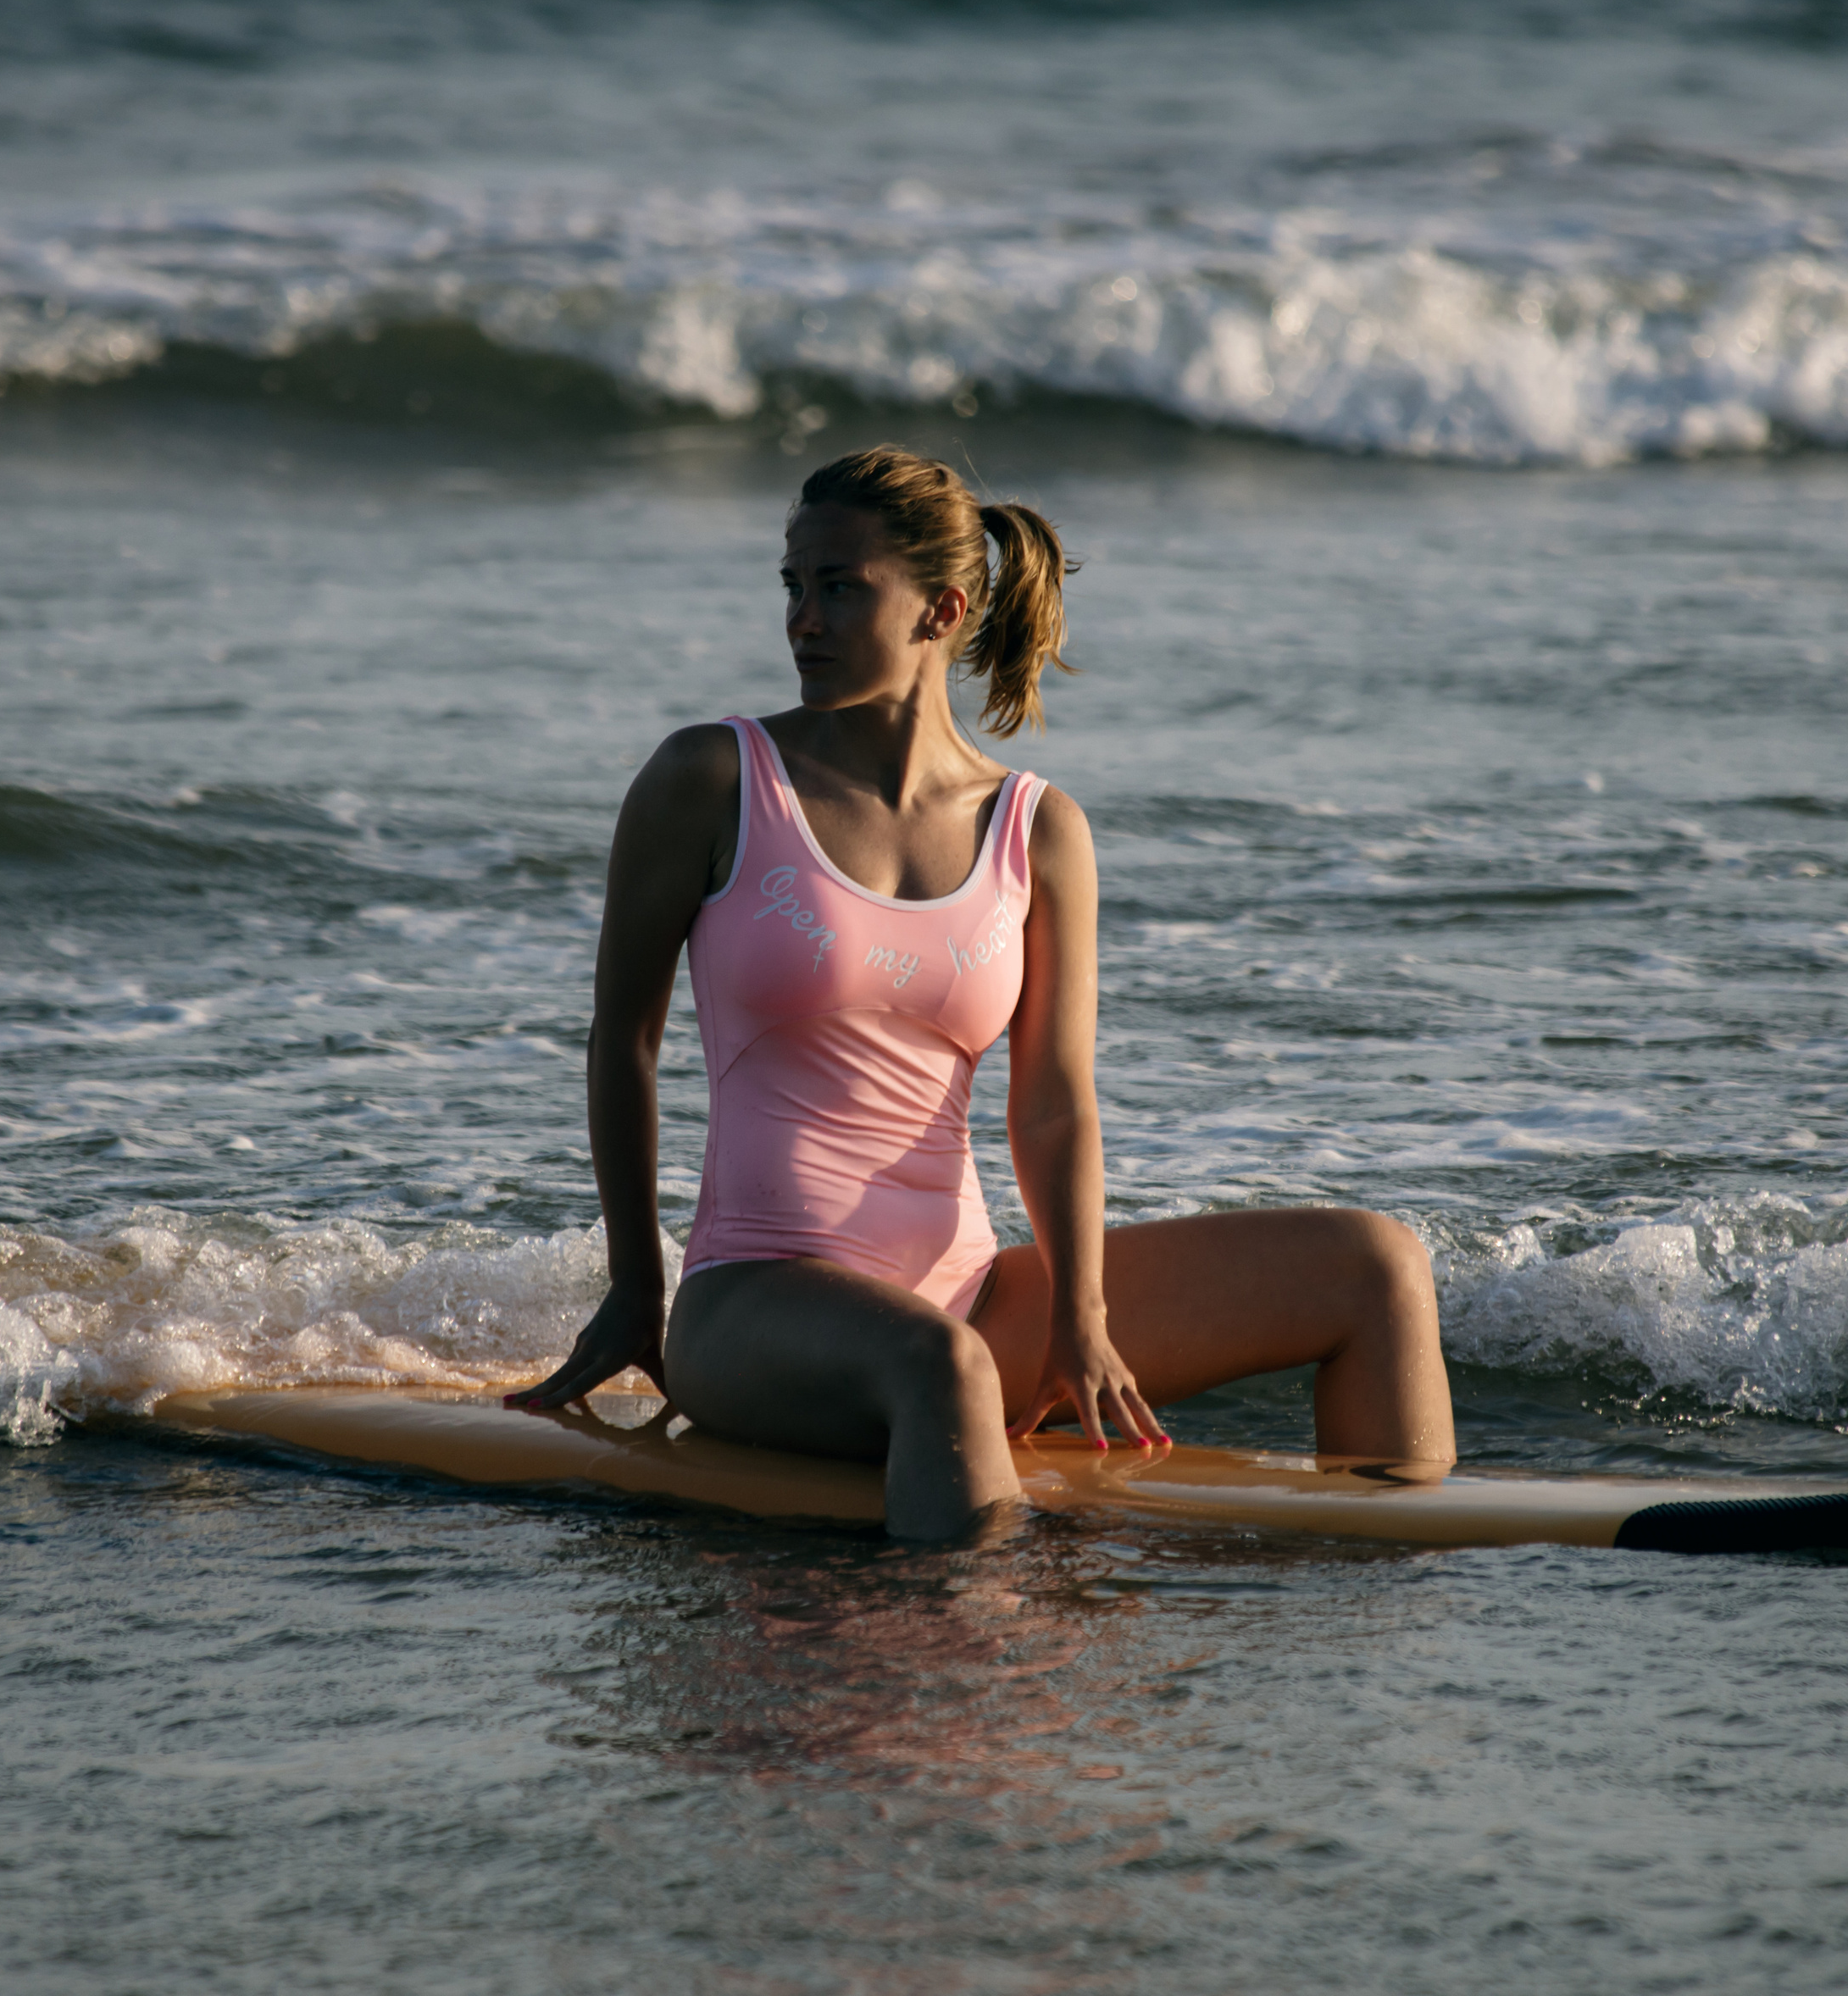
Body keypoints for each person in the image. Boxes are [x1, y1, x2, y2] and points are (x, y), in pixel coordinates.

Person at [508, 446, 1455, 1539]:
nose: (801, 619)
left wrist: (1082, 1320)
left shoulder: (1037, 830)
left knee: (1374, 1268)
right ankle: (981, 1674)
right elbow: (624, 1043)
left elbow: (1053, 1102)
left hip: (972, 1299)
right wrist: (638, 1287)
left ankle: (1400, 1631)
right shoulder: (712, 781)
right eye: (792, 585)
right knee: (942, 1368)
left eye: (839, 587)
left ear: (942, 610)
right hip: (755, 1303)